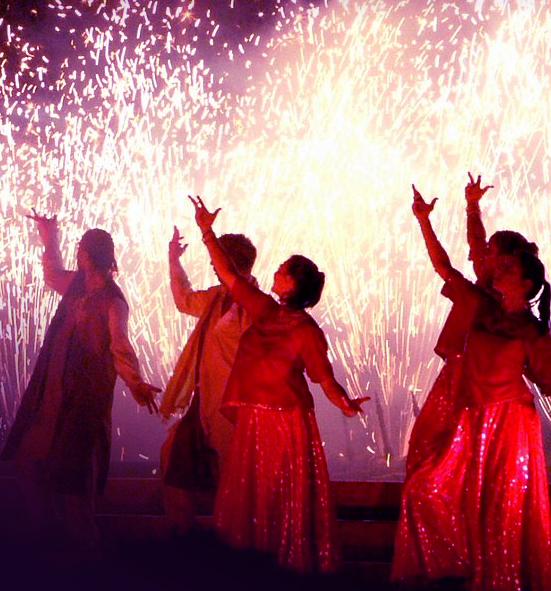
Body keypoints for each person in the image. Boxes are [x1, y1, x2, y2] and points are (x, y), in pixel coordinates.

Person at [188, 195, 369, 574]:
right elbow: (229, 275)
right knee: (248, 497)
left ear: (293, 284)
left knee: (277, 495)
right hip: (254, 423)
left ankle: (286, 568)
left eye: (283, 269)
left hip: (285, 424)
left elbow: (324, 378)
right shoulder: (265, 310)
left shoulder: (306, 330)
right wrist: (207, 233)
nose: (276, 269)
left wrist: (345, 403)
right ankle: (248, 568)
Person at [392, 186, 551, 590]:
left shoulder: (521, 323)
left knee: (495, 498)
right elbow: (455, 258)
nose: (486, 261)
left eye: (500, 260)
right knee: (433, 473)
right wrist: (457, 211)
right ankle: (457, 560)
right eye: (493, 259)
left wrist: (470, 209)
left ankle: (493, 569)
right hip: (466, 398)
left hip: (500, 414)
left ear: (522, 278)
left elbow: (545, 375)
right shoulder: (479, 298)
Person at [1, 212, 160, 550]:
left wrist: (136, 383)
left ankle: (85, 550)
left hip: (83, 399)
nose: (77, 255)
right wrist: (49, 239)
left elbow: (120, 345)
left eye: (80, 250)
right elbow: (52, 275)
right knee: (27, 460)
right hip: (53, 393)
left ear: (87, 255)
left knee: (75, 483)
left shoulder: (113, 301)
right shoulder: (78, 284)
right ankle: (49, 529)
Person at [159, 225, 257, 533]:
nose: (213, 266)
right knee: (172, 458)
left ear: (232, 264)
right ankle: (183, 539)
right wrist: (174, 261)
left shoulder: (256, 305)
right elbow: (185, 300)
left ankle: (234, 546)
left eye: (217, 260)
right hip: (202, 403)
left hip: (234, 408)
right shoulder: (217, 296)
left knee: (231, 479)